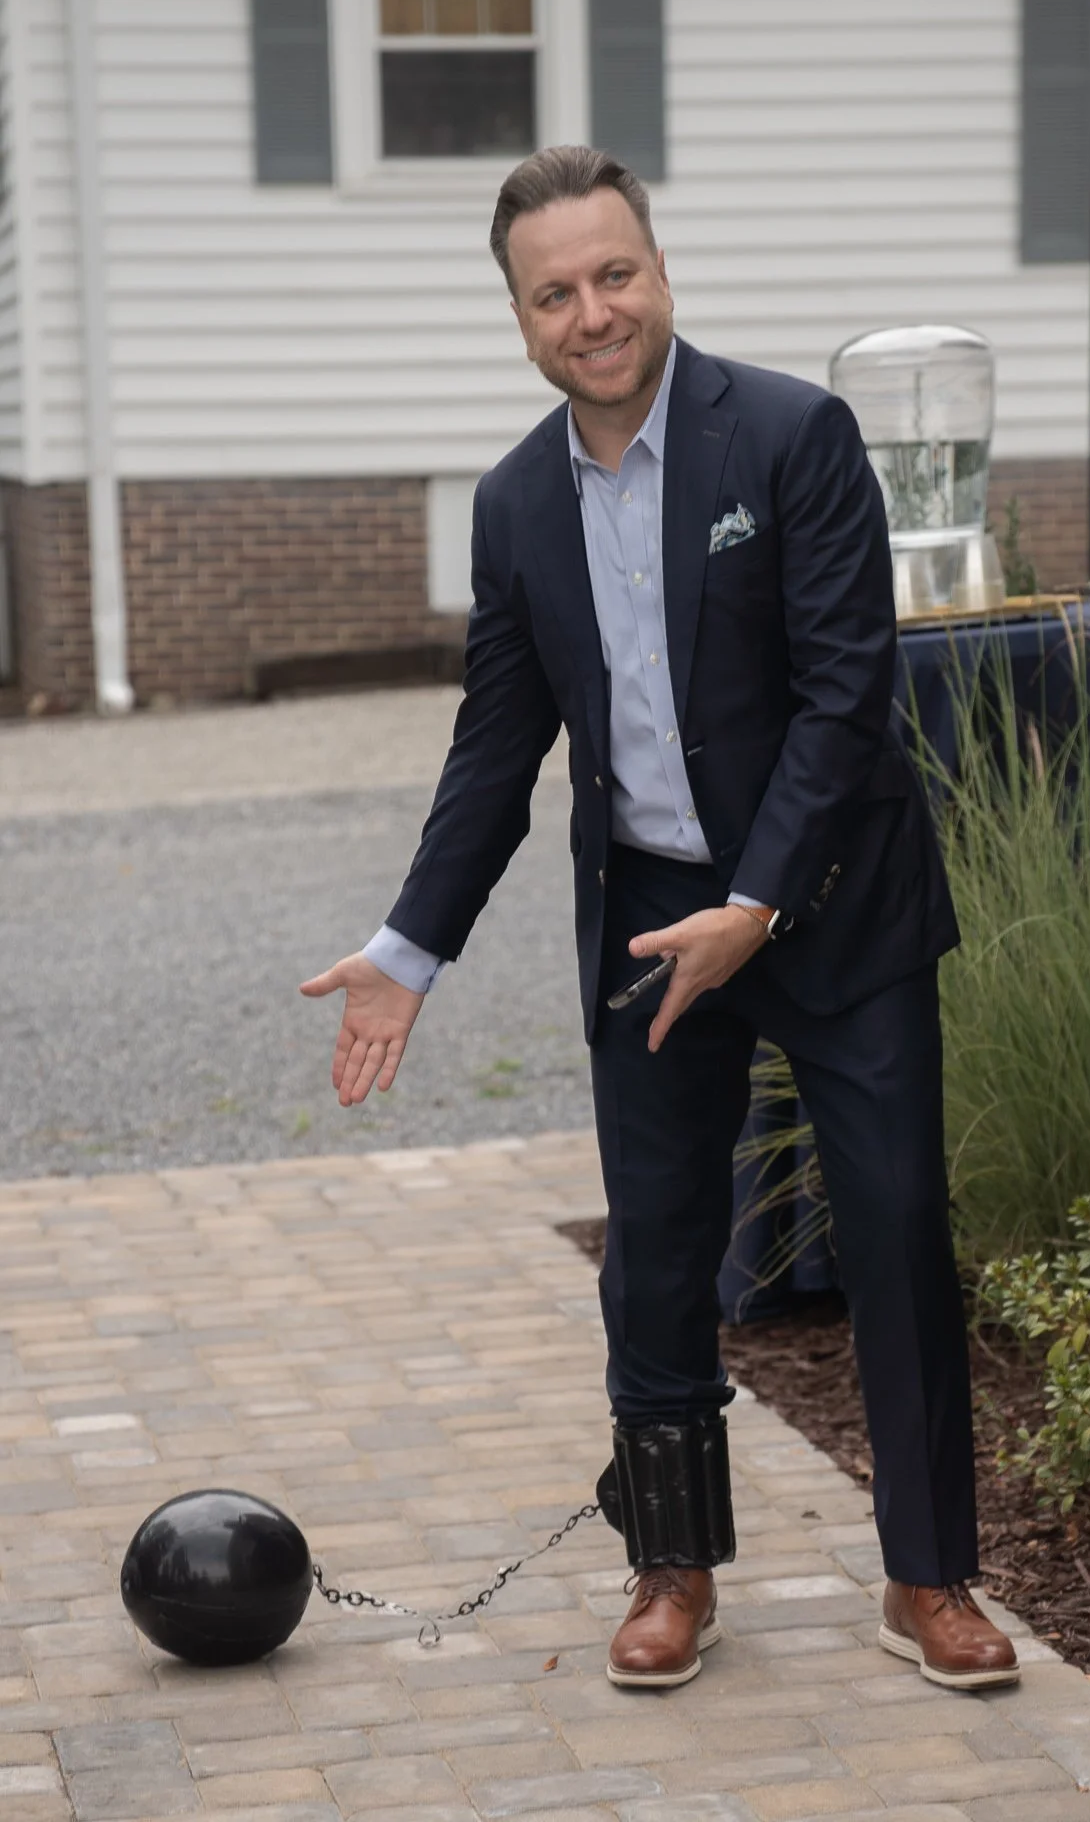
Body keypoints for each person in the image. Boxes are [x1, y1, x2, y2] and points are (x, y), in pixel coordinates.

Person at [301, 144, 1017, 1694]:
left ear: (659, 270)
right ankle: (674, 1568)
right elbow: (498, 751)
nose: (592, 310)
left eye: (612, 273)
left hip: (830, 905)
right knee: (660, 1255)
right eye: (554, 291)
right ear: (519, 317)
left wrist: (756, 902)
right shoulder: (512, 507)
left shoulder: (791, 436)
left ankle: (928, 1577)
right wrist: (407, 951)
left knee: (894, 1231)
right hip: (647, 917)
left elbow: (846, 699)